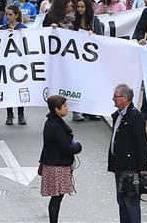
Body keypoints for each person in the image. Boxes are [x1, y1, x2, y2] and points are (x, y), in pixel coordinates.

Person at [108, 83, 147, 223]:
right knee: (122, 201)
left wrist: (143, 168)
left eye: (115, 96)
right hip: (119, 167)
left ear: (124, 98)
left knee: (131, 202)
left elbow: (142, 144)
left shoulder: (136, 117)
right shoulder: (118, 115)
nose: (113, 99)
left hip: (130, 168)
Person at [39, 94, 82, 223]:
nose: (67, 108)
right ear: (57, 109)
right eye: (64, 106)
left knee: (57, 197)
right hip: (57, 166)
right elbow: (66, 148)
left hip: (54, 163)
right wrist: (78, 147)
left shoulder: (52, 122)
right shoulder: (56, 126)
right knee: (56, 198)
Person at [0, 4, 28, 125]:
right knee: (8, 89)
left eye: (10, 14)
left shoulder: (22, 28)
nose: (8, 17)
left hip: (19, 62)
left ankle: (21, 114)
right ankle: (9, 114)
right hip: (7, 62)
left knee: (20, 88)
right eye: (6, 14)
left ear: (16, 15)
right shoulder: (2, 28)